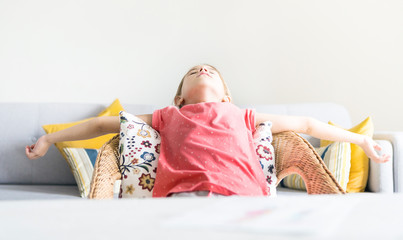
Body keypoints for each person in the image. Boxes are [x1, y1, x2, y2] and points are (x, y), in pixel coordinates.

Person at [25, 64, 390, 197]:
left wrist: (362, 141)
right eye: (193, 71)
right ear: (179, 98)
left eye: (211, 70)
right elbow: (104, 124)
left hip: (243, 198)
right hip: (178, 199)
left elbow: (309, 126)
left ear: (228, 95)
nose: (202, 70)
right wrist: (47, 139)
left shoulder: (244, 116)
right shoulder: (169, 116)